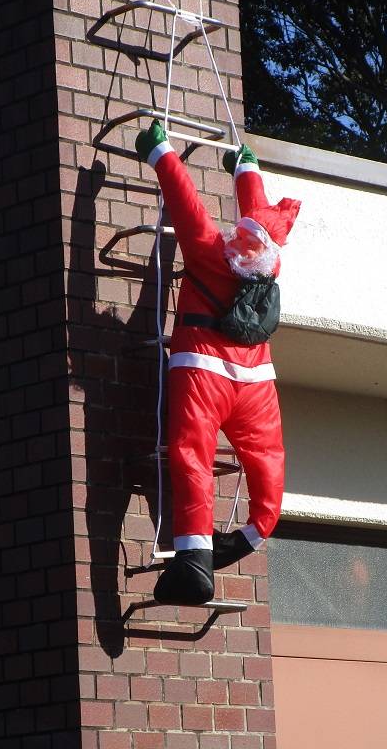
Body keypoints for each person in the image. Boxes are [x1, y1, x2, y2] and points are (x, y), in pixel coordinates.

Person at [135, 120, 302, 604]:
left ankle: (194, 559)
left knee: (192, 457)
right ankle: (251, 535)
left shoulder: (210, 251)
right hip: (257, 385)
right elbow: (261, 217)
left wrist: (160, 150)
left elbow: (186, 203)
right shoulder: (271, 266)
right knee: (268, 463)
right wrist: (245, 167)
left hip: (203, 370)